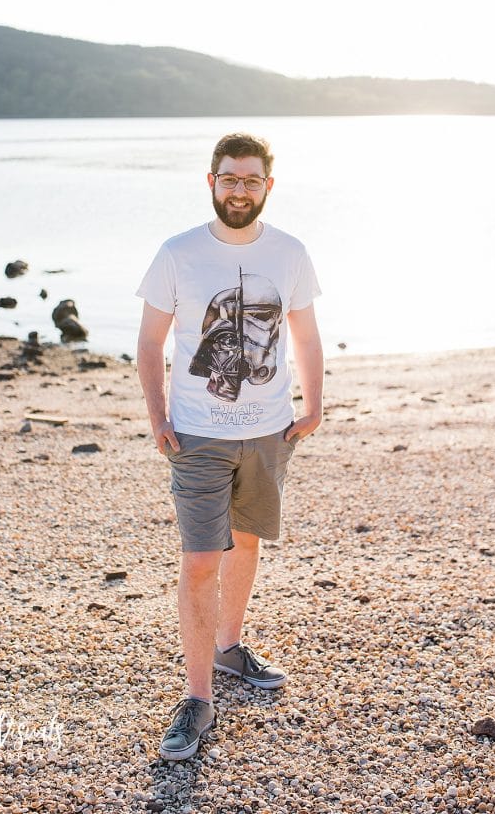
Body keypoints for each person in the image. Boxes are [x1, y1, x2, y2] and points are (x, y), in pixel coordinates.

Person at [136, 132, 323, 761]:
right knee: (199, 559)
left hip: (268, 431)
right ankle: (197, 698)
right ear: (210, 182)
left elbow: (305, 334)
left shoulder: (290, 253)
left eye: (250, 180)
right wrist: (158, 413)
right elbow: (150, 342)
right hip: (197, 434)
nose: (238, 190)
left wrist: (314, 406)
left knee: (246, 540)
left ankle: (229, 648)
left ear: (267, 186)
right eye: (228, 178)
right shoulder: (177, 253)